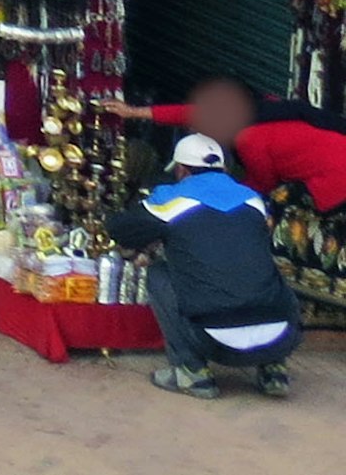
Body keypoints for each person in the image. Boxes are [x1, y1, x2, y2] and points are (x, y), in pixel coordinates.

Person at [111, 132, 300, 397]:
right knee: (260, 269)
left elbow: (119, 229)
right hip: (281, 338)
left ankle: (192, 373)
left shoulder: (170, 200)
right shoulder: (254, 200)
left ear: (181, 170)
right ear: (223, 169)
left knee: (158, 274)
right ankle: (273, 370)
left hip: (214, 341)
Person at [110, 76, 346, 217]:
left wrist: (219, 191)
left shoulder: (248, 139)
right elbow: (191, 114)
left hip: (333, 179)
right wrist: (134, 112)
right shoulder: (261, 109)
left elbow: (263, 184)